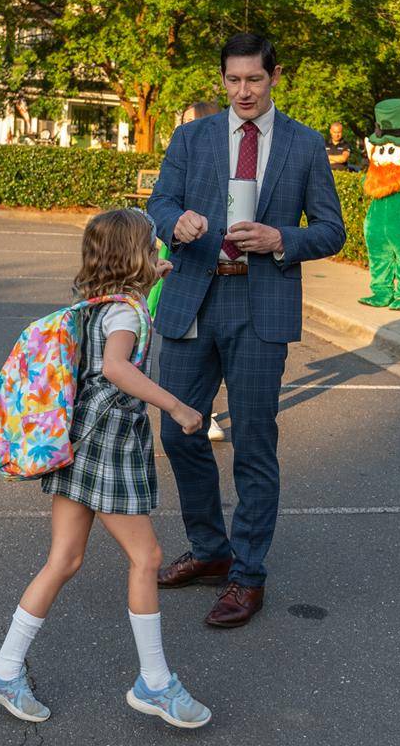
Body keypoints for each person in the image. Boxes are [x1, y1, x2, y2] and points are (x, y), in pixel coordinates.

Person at [0, 209, 212, 729]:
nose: (159, 253)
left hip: (76, 443)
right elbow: (118, 367)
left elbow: (120, 328)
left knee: (64, 560)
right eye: (153, 247)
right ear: (132, 257)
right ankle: (155, 682)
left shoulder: (104, 305)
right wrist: (176, 406)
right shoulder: (125, 315)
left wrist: (156, 278)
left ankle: (4, 669)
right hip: (108, 450)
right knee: (147, 556)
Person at [148, 33, 345, 628]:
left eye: (253, 80)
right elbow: (159, 202)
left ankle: (247, 574)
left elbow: (331, 230)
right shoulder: (192, 136)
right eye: (232, 81)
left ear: (274, 77)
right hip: (192, 299)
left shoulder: (306, 145)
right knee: (180, 432)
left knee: (255, 444)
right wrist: (174, 222)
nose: (243, 92)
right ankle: (210, 550)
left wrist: (284, 238)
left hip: (262, 306)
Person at [149, 99, 226, 442]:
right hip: (183, 258)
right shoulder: (181, 149)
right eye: (181, 123)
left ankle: (203, 409)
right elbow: (161, 202)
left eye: (189, 122)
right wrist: (173, 223)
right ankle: (188, 408)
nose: (184, 129)